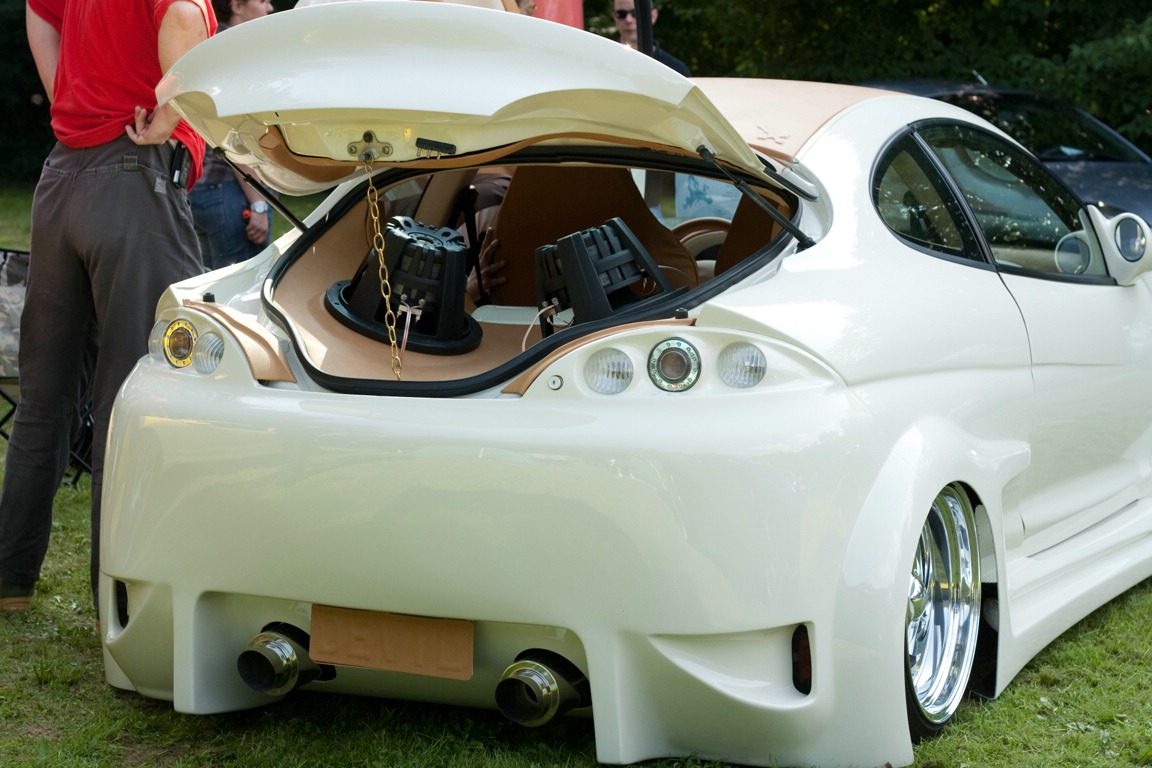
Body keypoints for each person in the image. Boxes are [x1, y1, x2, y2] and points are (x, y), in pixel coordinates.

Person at [0, 0, 215, 612]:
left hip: (61, 180)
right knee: (132, 397)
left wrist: (69, 98)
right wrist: (171, 113)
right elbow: (183, 14)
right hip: (132, 177)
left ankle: (10, 578)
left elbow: (38, 11)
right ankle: (119, 597)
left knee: (43, 398)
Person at [189, 0, 274, 270]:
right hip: (233, 191)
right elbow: (235, 131)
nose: (270, 8)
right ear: (237, 5)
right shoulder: (237, 51)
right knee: (246, 284)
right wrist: (258, 203)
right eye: (263, 1)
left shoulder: (208, 46)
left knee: (212, 285)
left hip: (201, 189)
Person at [612, 0, 691, 77]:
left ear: (653, 16)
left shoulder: (677, 71)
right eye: (621, 14)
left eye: (635, 13)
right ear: (614, 17)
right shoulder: (605, 61)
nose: (628, 20)